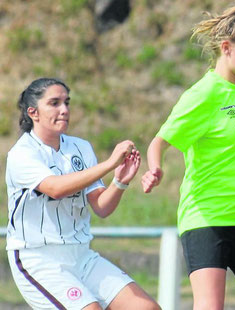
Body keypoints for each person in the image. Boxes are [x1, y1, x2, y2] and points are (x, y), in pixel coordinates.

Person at [141, 4, 235, 310]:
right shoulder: (203, 95)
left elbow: (228, 135)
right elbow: (159, 141)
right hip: (206, 218)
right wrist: (155, 169)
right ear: (226, 47)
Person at [6, 78, 161, 310]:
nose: (64, 110)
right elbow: (56, 189)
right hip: (38, 259)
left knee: (146, 308)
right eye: (55, 103)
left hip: (81, 256)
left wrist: (119, 182)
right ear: (33, 112)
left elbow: (102, 207)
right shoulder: (22, 153)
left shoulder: (80, 147)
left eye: (67, 102)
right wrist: (109, 164)